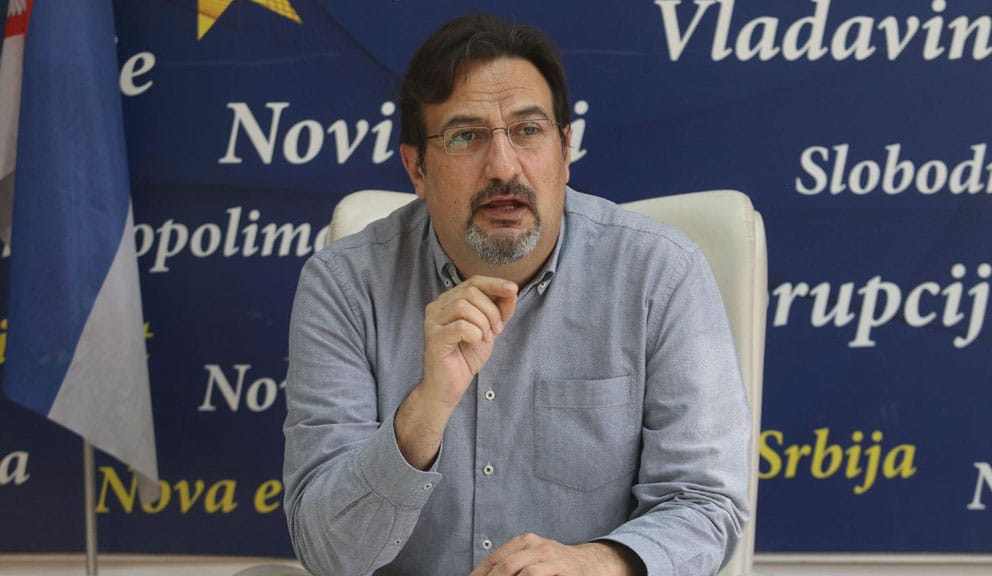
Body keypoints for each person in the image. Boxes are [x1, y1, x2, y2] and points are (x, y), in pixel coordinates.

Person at [283, 13, 750, 576]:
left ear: (565, 149)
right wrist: (425, 409)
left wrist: (595, 564)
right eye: (465, 136)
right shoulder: (344, 285)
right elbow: (329, 552)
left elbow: (705, 505)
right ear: (417, 168)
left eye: (528, 130)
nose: (503, 166)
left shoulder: (660, 275)